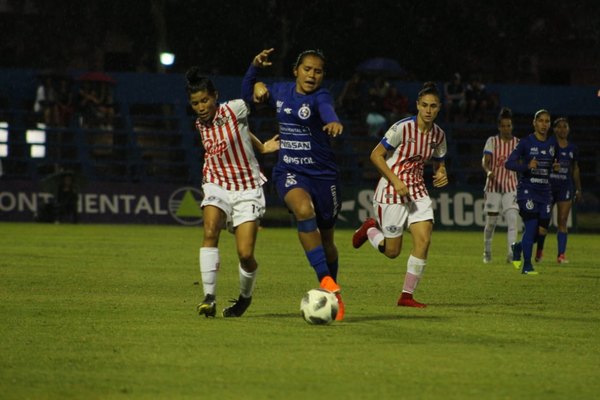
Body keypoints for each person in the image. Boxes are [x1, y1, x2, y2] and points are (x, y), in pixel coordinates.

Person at [241, 48, 346, 320]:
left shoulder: (321, 96)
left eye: (318, 71)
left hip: (324, 177)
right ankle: (326, 281)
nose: (312, 75)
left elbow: (326, 109)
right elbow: (245, 98)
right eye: (307, 69)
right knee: (303, 210)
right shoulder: (281, 92)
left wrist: (333, 120)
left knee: (327, 241)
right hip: (290, 171)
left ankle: (333, 293)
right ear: (296, 71)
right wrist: (255, 72)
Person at [187, 67, 280, 318]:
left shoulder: (232, 109)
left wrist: (253, 66)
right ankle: (209, 298)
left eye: (205, 100)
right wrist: (260, 146)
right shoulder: (199, 124)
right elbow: (239, 132)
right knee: (210, 231)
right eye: (195, 103)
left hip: (247, 188)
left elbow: (247, 99)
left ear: (215, 96)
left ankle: (244, 298)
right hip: (216, 182)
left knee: (246, 254)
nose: (201, 106)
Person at [352, 82, 448, 308]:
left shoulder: (439, 135)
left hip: (417, 191)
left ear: (439, 108)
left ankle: (406, 296)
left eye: (433, 106)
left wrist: (442, 172)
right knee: (392, 251)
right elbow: (375, 155)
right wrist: (395, 181)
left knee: (424, 240)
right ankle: (369, 229)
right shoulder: (402, 128)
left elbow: (440, 162)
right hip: (391, 190)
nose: (428, 110)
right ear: (417, 105)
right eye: (424, 105)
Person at [505, 109, 557, 275]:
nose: (544, 124)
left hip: (545, 193)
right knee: (531, 226)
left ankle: (518, 247)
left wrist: (553, 168)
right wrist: (527, 166)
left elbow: (549, 165)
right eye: (540, 120)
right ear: (534, 123)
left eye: (547, 121)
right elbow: (509, 164)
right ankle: (527, 266)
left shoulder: (552, 143)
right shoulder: (526, 142)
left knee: (540, 232)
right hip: (527, 191)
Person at [534, 117, 582, 264]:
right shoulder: (548, 145)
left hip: (565, 187)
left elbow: (575, 169)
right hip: (548, 187)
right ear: (554, 129)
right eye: (559, 127)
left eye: (565, 127)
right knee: (544, 222)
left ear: (568, 129)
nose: (562, 129)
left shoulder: (572, 148)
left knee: (562, 220)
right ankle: (540, 251)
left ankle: (561, 255)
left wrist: (578, 189)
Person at [481, 107, 520, 264]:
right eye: (503, 126)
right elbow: (485, 160)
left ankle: (511, 254)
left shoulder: (518, 143)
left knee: (512, 220)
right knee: (491, 222)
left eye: (509, 125)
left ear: (512, 126)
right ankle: (487, 251)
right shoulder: (492, 141)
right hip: (493, 187)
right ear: (499, 127)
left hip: (511, 187)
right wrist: (488, 171)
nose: (506, 128)